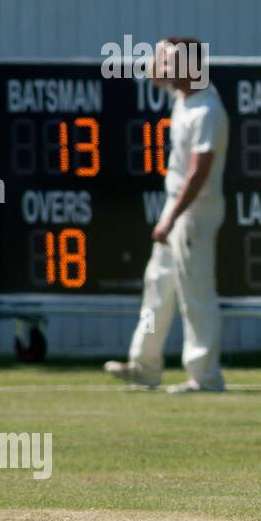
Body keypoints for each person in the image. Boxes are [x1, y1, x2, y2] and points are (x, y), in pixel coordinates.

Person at [105, 37, 230, 394]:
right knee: (157, 288)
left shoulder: (206, 110)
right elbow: (157, 75)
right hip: (176, 209)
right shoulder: (184, 98)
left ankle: (205, 377)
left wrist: (170, 217)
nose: (160, 67)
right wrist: (159, 61)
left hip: (194, 212)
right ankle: (145, 367)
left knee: (196, 294)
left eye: (168, 62)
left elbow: (199, 172)